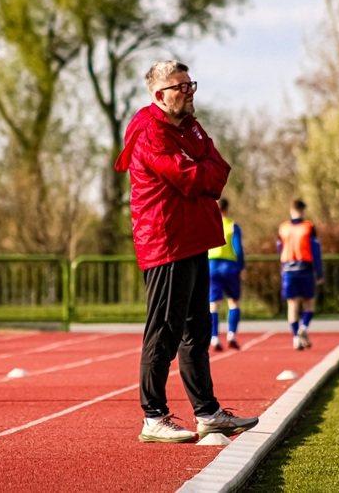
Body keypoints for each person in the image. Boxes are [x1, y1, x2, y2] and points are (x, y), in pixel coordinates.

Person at [115, 59, 259, 444]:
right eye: (182, 87)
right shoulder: (149, 131)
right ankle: (153, 415)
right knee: (164, 329)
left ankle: (207, 412)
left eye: (191, 84)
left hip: (194, 237)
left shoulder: (191, 126)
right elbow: (191, 177)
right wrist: (204, 173)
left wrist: (205, 173)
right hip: (165, 240)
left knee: (198, 328)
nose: (190, 92)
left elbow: (218, 168)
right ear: (160, 95)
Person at [277, 199, 323, 350]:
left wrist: (282, 269)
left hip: (288, 270)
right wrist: (319, 272)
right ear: (303, 210)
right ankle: (303, 328)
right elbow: (316, 251)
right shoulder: (308, 227)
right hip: (305, 269)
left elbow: (279, 249)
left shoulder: (283, 228)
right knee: (309, 304)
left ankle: (296, 337)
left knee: (292, 305)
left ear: (291, 209)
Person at [207, 197, 244, 351]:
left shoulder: (208, 224)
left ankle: (214, 337)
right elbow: (238, 249)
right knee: (233, 302)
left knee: (213, 304)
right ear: (227, 209)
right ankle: (231, 335)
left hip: (212, 266)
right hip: (229, 266)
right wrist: (241, 267)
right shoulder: (232, 226)